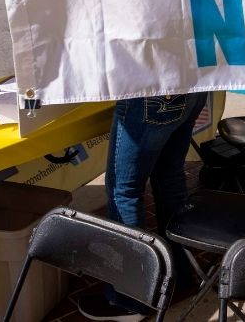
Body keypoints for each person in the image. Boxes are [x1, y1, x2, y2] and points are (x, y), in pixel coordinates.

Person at [77, 93, 209, 322]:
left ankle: (130, 300)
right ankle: (180, 275)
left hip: (151, 92)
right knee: (170, 180)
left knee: (124, 191)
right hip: (189, 87)